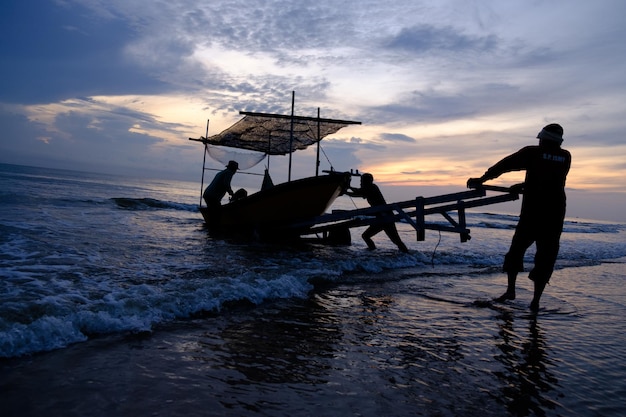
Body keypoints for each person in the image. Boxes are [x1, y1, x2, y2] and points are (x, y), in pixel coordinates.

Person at [467, 124, 571, 311]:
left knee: (516, 251)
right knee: (546, 257)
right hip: (555, 213)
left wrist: (482, 179)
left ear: (543, 139)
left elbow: (505, 165)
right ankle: (535, 301)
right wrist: (523, 186)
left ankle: (511, 291)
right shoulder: (565, 157)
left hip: (533, 213)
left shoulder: (532, 153)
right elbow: (550, 181)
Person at [347, 173, 409, 253]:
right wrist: (349, 188)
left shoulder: (372, 188)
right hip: (381, 218)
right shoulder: (370, 188)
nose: (360, 183)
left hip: (386, 218)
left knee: (395, 240)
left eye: (362, 181)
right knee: (366, 236)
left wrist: (347, 191)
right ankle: (372, 252)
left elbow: (358, 193)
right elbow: (359, 191)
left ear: (367, 182)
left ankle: (406, 254)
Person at [203, 160, 238, 232]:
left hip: (208, 194)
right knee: (217, 213)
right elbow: (226, 184)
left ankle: (210, 229)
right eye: (235, 170)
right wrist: (231, 193)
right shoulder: (229, 173)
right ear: (233, 169)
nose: (235, 172)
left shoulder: (222, 172)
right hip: (212, 196)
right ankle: (214, 231)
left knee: (212, 213)